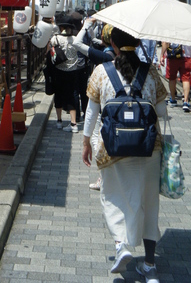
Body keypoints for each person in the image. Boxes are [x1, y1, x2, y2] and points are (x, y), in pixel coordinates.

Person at [82, 28, 167, 282]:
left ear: (113, 45)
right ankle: (150, 266)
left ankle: (121, 247)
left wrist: (86, 142)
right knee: (149, 203)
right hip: (148, 148)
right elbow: (162, 112)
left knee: (114, 197)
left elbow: (91, 113)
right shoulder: (150, 71)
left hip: (112, 149)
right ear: (138, 42)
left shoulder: (101, 72)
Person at [73, 20, 116, 191]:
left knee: (100, 139)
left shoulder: (105, 57)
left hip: (106, 105)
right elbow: (94, 41)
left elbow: (77, 44)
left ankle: (103, 178)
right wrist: (90, 31)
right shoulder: (109, 52)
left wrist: (84, 26)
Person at [49, 15, 80, 133]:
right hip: (73, 71)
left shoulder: (55, 39)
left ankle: (59, 121)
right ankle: (73, 123)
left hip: (59, 70)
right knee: (71, 96)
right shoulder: (75, 39)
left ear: (61, 27)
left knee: (59, 95)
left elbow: (50, 51)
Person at [160, 42, 190, 112]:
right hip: (187, 55)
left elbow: (165, 42)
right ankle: (186, 101)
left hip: (173, 55)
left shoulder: (171, 30)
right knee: (186, 78)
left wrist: (162, 55)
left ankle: (173, 100)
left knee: (172, 78)